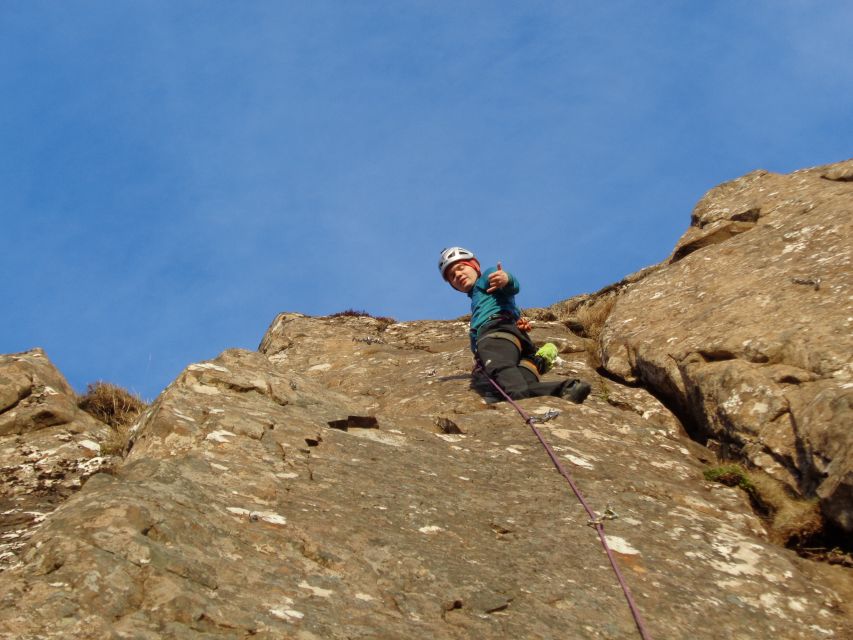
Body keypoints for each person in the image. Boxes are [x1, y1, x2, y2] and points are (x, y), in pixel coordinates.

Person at [438, 246, 591, 403]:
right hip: (518, 343)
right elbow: (509, 304)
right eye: (452, 276)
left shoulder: (485, 279)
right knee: (523, 388)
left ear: (475, 266)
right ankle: (554, 377)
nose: (458, 274)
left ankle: (564, 387)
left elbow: (510, 285)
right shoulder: (483, 300)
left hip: (495, 337)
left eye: (461, 268)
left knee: (510, 387)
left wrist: (505, 279)